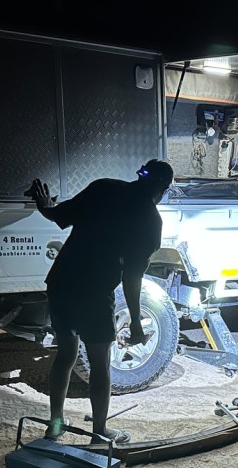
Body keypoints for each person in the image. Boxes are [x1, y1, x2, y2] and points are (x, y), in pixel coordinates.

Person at [26, 159, 175, 444]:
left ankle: (55, 425)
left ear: (140, 175)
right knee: (100, 363)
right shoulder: (151, 221)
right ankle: (99, 433)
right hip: (94, 292)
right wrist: (135, 322)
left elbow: (57, 215)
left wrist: (43, 203)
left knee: (66, 354)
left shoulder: (103, 188)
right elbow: (132, 278)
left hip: (61, 283)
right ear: (163, 189)